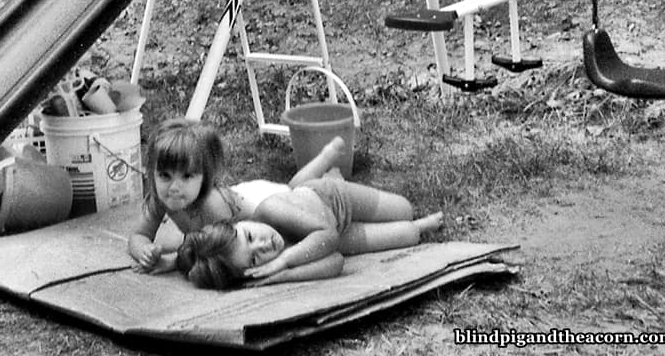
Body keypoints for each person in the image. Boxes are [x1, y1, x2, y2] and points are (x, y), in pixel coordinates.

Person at [176, 138, 444, 289]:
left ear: (242, 221)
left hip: (333, 199)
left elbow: (324, 234)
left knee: (404, 209)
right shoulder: (277, 262)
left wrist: (286, 260)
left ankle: (327, 163)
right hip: (336, 235)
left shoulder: (269, 210)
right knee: (409, 234)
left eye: (249, 236)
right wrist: (282, 275)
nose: (264, 245)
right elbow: (336, 258)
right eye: (256, 259)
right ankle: (421, 225)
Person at [127, 117, 346, 274]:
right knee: (292, 186)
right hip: (244, 192)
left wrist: (173, 262)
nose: (174, 187)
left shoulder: (213, 209)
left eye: (186, 177)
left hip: (266, 200)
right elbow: (138, 235)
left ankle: (328, 168)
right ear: (151, 173)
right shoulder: (159, 200)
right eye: (165, 176)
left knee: (296, 191)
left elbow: (216, 250)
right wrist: (144, 251)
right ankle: (326, 160)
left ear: (205, 178)